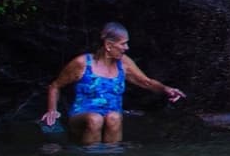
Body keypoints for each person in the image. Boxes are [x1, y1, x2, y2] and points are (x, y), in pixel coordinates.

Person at [39, 22, 185, 143]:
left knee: (114, 117)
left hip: (111, 117)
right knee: (95, 119)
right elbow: (55, 86)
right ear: (109, 45)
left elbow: (146, 82)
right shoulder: (82, 63)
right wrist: (52, 110)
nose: (126, 48)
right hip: (82, 116)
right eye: (123, 44)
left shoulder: (124, 63)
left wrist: (166, 89)